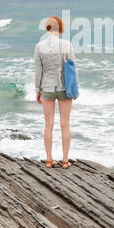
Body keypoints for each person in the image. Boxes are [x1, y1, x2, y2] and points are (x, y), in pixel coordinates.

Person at [34, 16, 79, 169]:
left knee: (48, 125)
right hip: (65, 88)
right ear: (60, 28)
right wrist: (76, 89)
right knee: (65, 124)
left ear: (47, 28)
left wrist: (37, 90)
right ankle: (65, 160)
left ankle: (49, 159)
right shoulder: (66, 45)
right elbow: (73, 69)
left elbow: (38, 72)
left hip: (47, 88)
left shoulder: (39, 46)